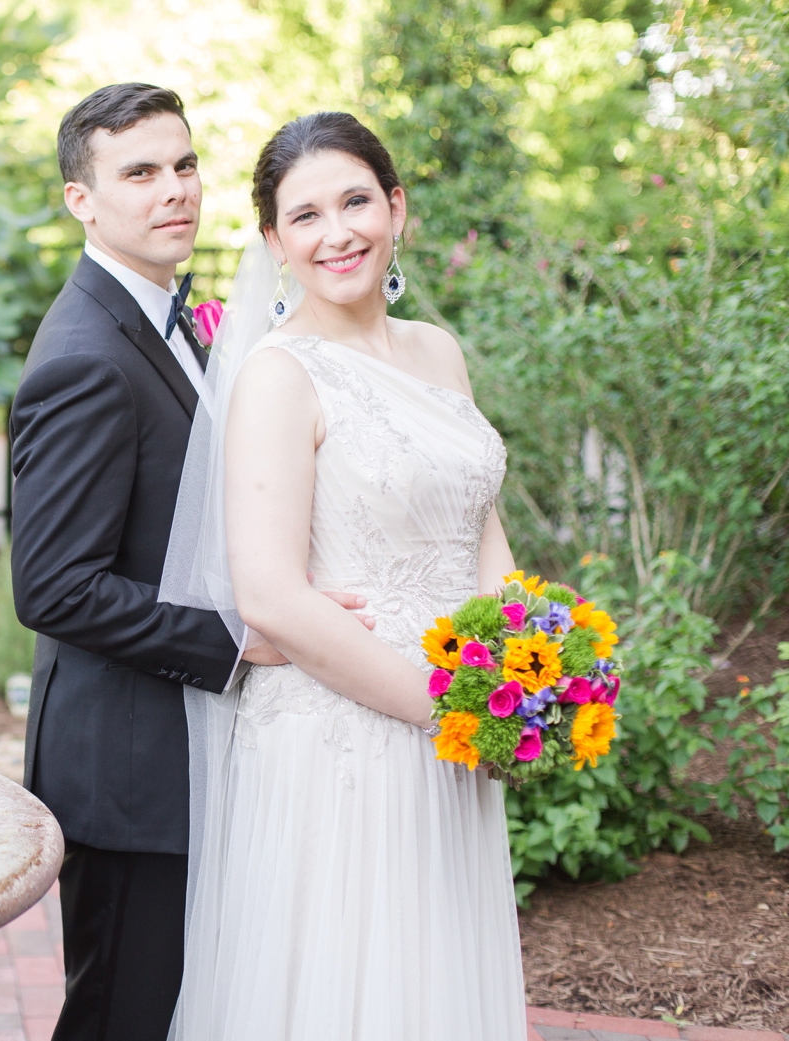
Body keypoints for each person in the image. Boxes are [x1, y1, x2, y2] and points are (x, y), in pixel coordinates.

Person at [9, 86, 374, 1041]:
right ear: (80, 200)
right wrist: (242, 636)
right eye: (138, 173)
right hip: (127, 770)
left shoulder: (168, 318)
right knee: (123, 1016)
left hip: (187, 753)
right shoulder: (85, 354)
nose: (173, 191)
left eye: (183, 165)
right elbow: (53, 586)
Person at [160, 111, 527, 1040]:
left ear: (397, 210)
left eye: (358, 200)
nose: (340, 233)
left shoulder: (438, 351)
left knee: (435, 979)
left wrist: (525, 670)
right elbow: (271, 595)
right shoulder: (280, 376)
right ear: (276, 243)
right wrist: (440, 709)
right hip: (351, 733)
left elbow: (478, 522)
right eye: (308, 215)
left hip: (459, 721)